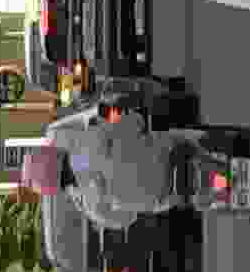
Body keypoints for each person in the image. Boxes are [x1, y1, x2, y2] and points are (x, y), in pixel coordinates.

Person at [27, 94, 186, 230]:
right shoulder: (86, 143)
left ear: (53, 188)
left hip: (165, 194)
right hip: (166, 152)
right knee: (182, 140)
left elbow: (128, 219)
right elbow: (134, 122)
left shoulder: (90, 207)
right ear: (51, 153)